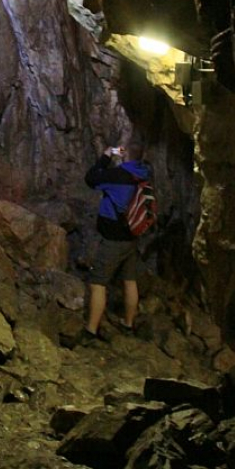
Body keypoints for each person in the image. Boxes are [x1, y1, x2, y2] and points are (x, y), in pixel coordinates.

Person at [78, 141, 153, 345]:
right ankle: (128, 324)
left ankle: (90, 331)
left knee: (98, 282)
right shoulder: (144, 173)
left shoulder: (119, 175)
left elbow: (91, 178)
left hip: (114, 239)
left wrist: (106, 155)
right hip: (131, 237)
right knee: (129, 279)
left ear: (125, 154)